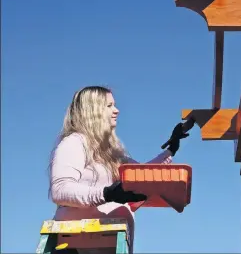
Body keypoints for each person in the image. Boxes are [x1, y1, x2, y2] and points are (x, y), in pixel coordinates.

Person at [48, 86, 189, 253]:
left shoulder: (111, 152)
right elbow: (60, 189)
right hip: (77, 244)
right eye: (109, 106)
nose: (117, 110)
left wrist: (171, 149)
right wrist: (107, 193)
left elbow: (142, 175)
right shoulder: (74, 142)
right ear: (92, 110)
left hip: (108, 243)